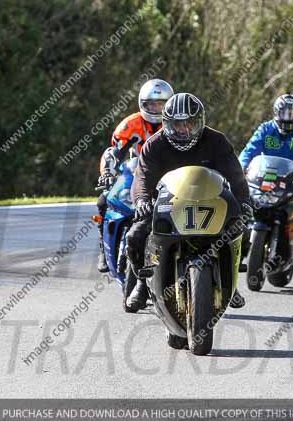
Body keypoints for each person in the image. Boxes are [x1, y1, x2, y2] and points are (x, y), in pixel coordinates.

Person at [126, 92, 253, 310]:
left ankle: (229, 283)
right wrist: (142, 201)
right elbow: (143, 177)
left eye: (190, 124)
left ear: (200, 122)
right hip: (167, 205)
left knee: (243, 228)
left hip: (210, 204)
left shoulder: (217, 141)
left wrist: (244, 202)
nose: (183, 130)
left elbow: (236, 176)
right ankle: (140, 282)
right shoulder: (154, 145)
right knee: (135, 235)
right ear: (166, 124)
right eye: (177, 124)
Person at [95, 79, 174, 273]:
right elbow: (115, 150)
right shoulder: (131, 124)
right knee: (104, 200)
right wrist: (107, 172)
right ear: (142, 104)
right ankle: (102, 250)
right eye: (151, 104)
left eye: (161, 104)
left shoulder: (178, 123)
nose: (156, 109)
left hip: (169, 174)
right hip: (137, 171)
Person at [239, 93, 293, 252]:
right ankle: (242, 237)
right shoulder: (265, 129)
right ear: (276, 113)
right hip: (264, 177)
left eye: (291, 113)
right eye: (284, 113)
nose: (287, 118)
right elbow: (249, 150)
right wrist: (241, 167)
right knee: (239, 200)